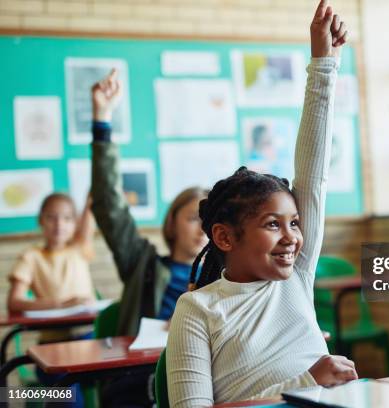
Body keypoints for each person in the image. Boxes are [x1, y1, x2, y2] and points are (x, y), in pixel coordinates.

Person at [166, 2, 357, 406]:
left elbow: (313, 176)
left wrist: (324, 63)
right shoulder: (198, 309)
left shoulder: (296, 278)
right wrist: (308, 381)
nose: (291, 237)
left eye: (294, 223)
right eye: (273, 224)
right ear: (225, 236)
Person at [90, 69, 209, 406]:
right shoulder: (142, 265)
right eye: (192, 218)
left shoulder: (226, 276)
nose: (203, 228)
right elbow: (109, 205)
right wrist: (102, 119)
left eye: (210, 220)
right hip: (141, 381)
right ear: (171, 224)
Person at [8, 193, 96, 333]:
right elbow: (14, 303)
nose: (59, 224)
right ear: (40, 220)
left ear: (76, 222)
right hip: (52, 340)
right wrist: (62, 304)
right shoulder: (31, 257)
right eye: (51, 217)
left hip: (88, 333)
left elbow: (90, 210)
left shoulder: (80, 248)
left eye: (67, 218)